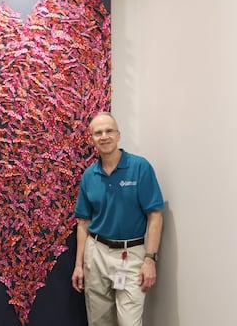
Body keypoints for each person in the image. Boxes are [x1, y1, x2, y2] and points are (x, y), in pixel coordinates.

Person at [71, 112, 164, 326]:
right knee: (99, 321)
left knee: (129, 321)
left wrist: (150, 259)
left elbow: (155, 215)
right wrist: (79, 265)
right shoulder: (89, 176)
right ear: (92, 139)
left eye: (108, 131)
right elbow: (83, 223)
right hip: (97, 254)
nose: (104, 136)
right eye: (98, 133)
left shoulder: (140, 168)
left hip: (130, 256)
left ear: (118, 135)